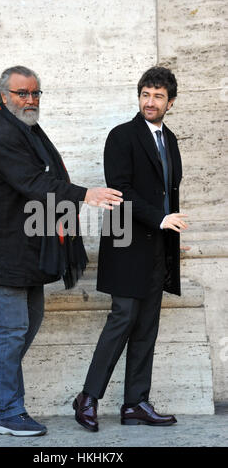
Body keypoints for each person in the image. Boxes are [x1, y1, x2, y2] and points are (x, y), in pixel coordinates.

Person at [0, 65, 123, 437]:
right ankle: (8, 412)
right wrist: (84, 194)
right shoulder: (0, 134)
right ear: (3, 96)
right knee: (11, 331)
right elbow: (32, 181)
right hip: (3, 250)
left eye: (34, 93)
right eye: (21, 93)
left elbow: (43, 174)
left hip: (25, 246)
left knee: (28, 324)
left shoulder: (22, 126)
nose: (29, 100)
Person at [73, 66, 189, 432]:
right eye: (145, 94)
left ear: (170, 102)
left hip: (158, 251)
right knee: (122, 319)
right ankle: (88, 398)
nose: (150, 102)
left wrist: (168, 230)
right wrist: (159, 218)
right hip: (127, 246)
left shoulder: (169, 140)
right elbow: (120, 190)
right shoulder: (121, 136)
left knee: (147, 327)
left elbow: (168, 190)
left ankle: (136, 403)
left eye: (157, 96)